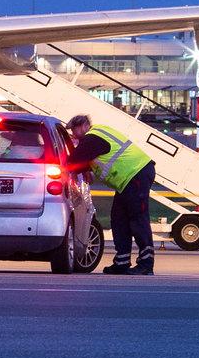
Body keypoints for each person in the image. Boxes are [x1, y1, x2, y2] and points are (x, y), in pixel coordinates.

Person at [64, 113, 156, 275]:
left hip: (136, 174)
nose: (74, 137)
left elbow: (73, 162)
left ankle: (146, 263)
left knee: (137, 218)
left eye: (74, 132)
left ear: (82, 126)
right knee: (119, 218)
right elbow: (89, 159)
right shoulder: (98, 135)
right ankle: (122, 261)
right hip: (129, 179)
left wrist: (76, 167)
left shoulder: (92, 138)